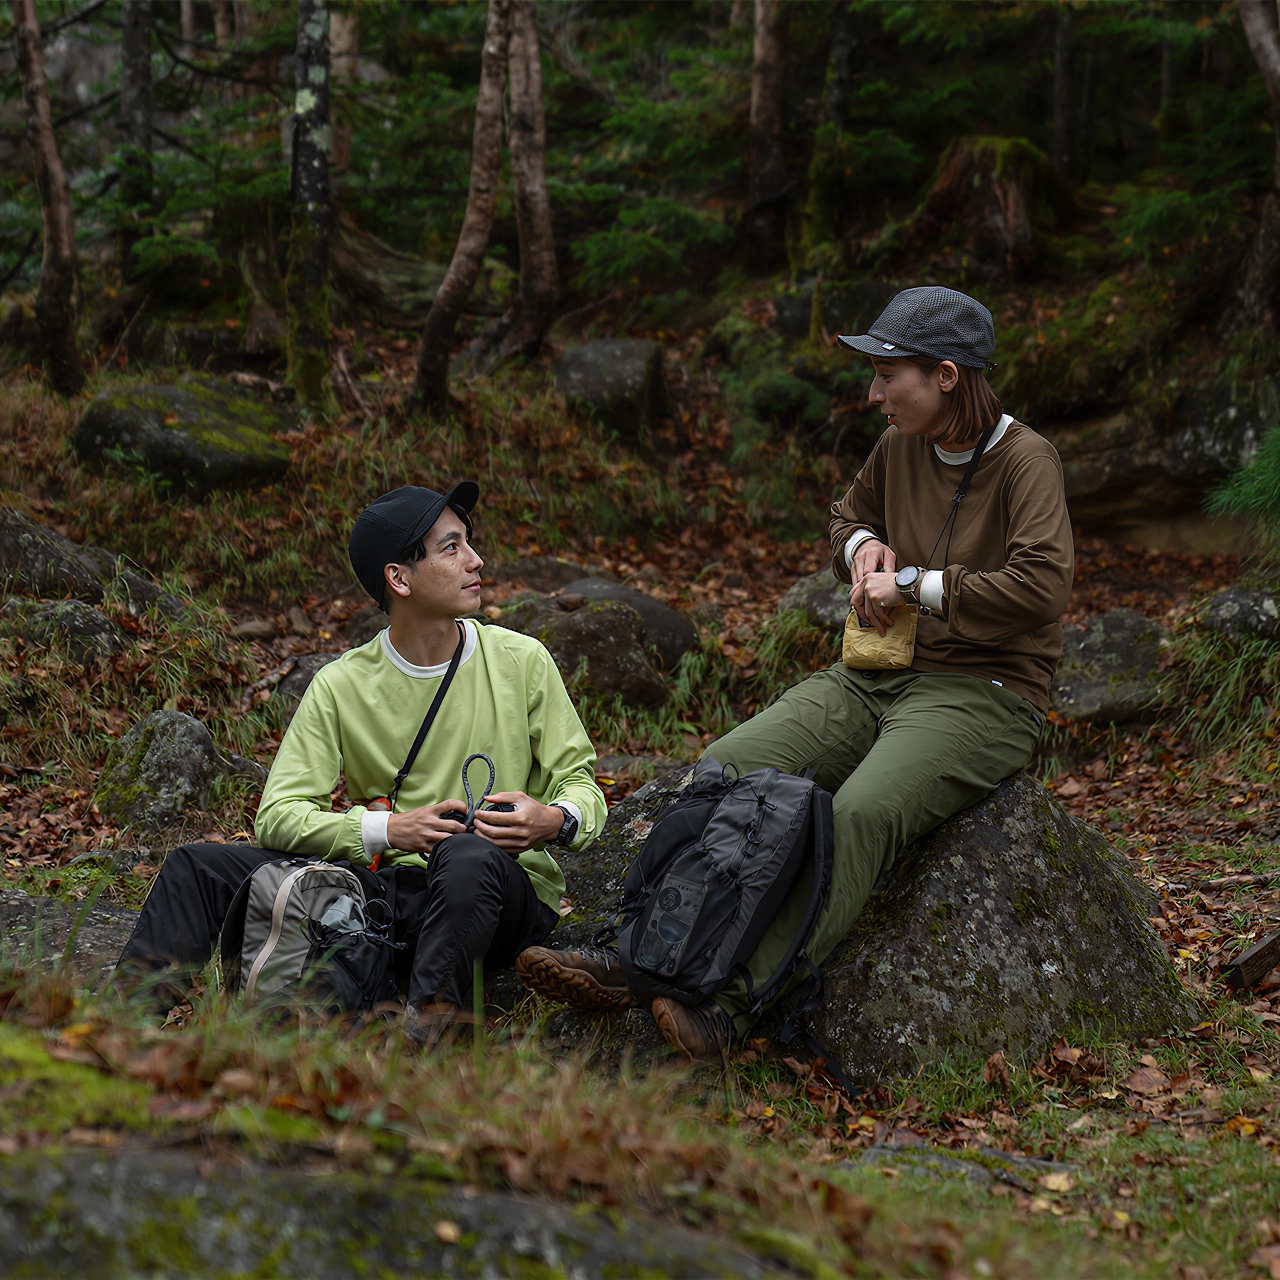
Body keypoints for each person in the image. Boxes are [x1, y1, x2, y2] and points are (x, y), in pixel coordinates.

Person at [519, 286, 1074, 1058]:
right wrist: (863, 549)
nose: (873, 391)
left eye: (888, 374)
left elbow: (1043, 587)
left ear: (947, 375)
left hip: (985, 693)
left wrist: (911, 585)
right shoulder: (899, 445)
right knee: (727, 767)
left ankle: (733, 1009)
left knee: (859, 813)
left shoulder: (1026, 460)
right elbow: (849, 517)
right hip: (876, 674)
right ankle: (633, 959)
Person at [117, 482, 607, 1038]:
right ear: (399, 578)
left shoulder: (521, 661)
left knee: (466, 856)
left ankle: (427, 1038)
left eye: (468, 543)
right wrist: (389, 830)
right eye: (452, 548)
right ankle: (120, 1034)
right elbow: (277, 815)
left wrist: (551, 820)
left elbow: (581, 785)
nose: (476, 560)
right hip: (388, 899)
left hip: (499, 896)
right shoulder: (342, 684)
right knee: (196, 868)